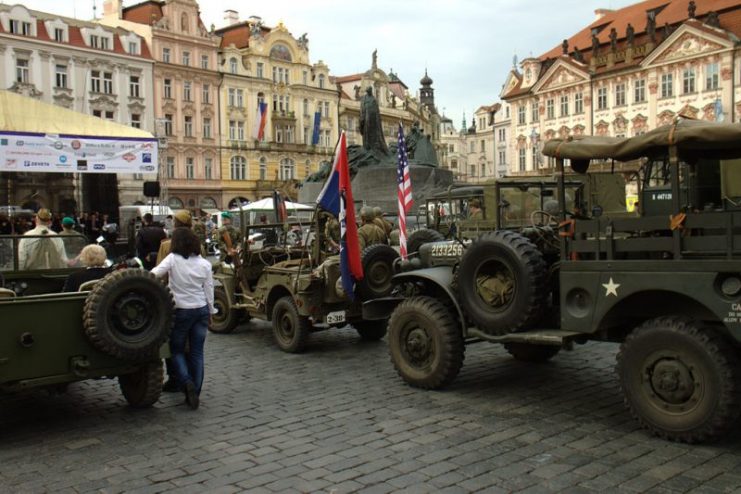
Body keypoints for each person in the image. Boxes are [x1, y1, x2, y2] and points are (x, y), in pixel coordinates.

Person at [151, 227, 215, 410]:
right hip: (201, 309)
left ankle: (186, 382)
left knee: (176, 349)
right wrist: (211, 311)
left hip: (181, 310)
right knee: (197, 352)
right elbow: (208, 290)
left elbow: (154, 273)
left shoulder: (173, 259)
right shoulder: (205, 264)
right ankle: (196, 390)